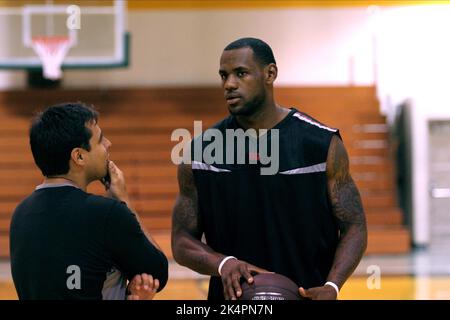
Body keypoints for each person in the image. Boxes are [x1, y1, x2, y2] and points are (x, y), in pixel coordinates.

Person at [171, 38, 367, 300]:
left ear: (270, 74)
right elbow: (181, 239)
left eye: (241, 73)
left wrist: (332, 286)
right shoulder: (200, 154)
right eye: (223, 76)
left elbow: (354, 225)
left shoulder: (321, 144)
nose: (229, 84)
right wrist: (222, 263)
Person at [10, 102, 168, 300]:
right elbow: (158, 272)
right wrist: (124, 202)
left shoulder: (20, 214)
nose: (108, 144)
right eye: (100, 140)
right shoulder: (107, 214)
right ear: (79, 156)